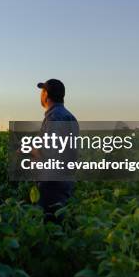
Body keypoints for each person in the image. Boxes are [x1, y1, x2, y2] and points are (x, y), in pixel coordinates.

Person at [36, 78, 79, 223]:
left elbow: (48, 154)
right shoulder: (71, 117)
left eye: (42, 91)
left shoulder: (54, 117)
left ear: (46, 94)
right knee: (59, 224)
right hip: (66, 180)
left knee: (49, 226)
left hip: (51, 183)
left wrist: (28, 150)